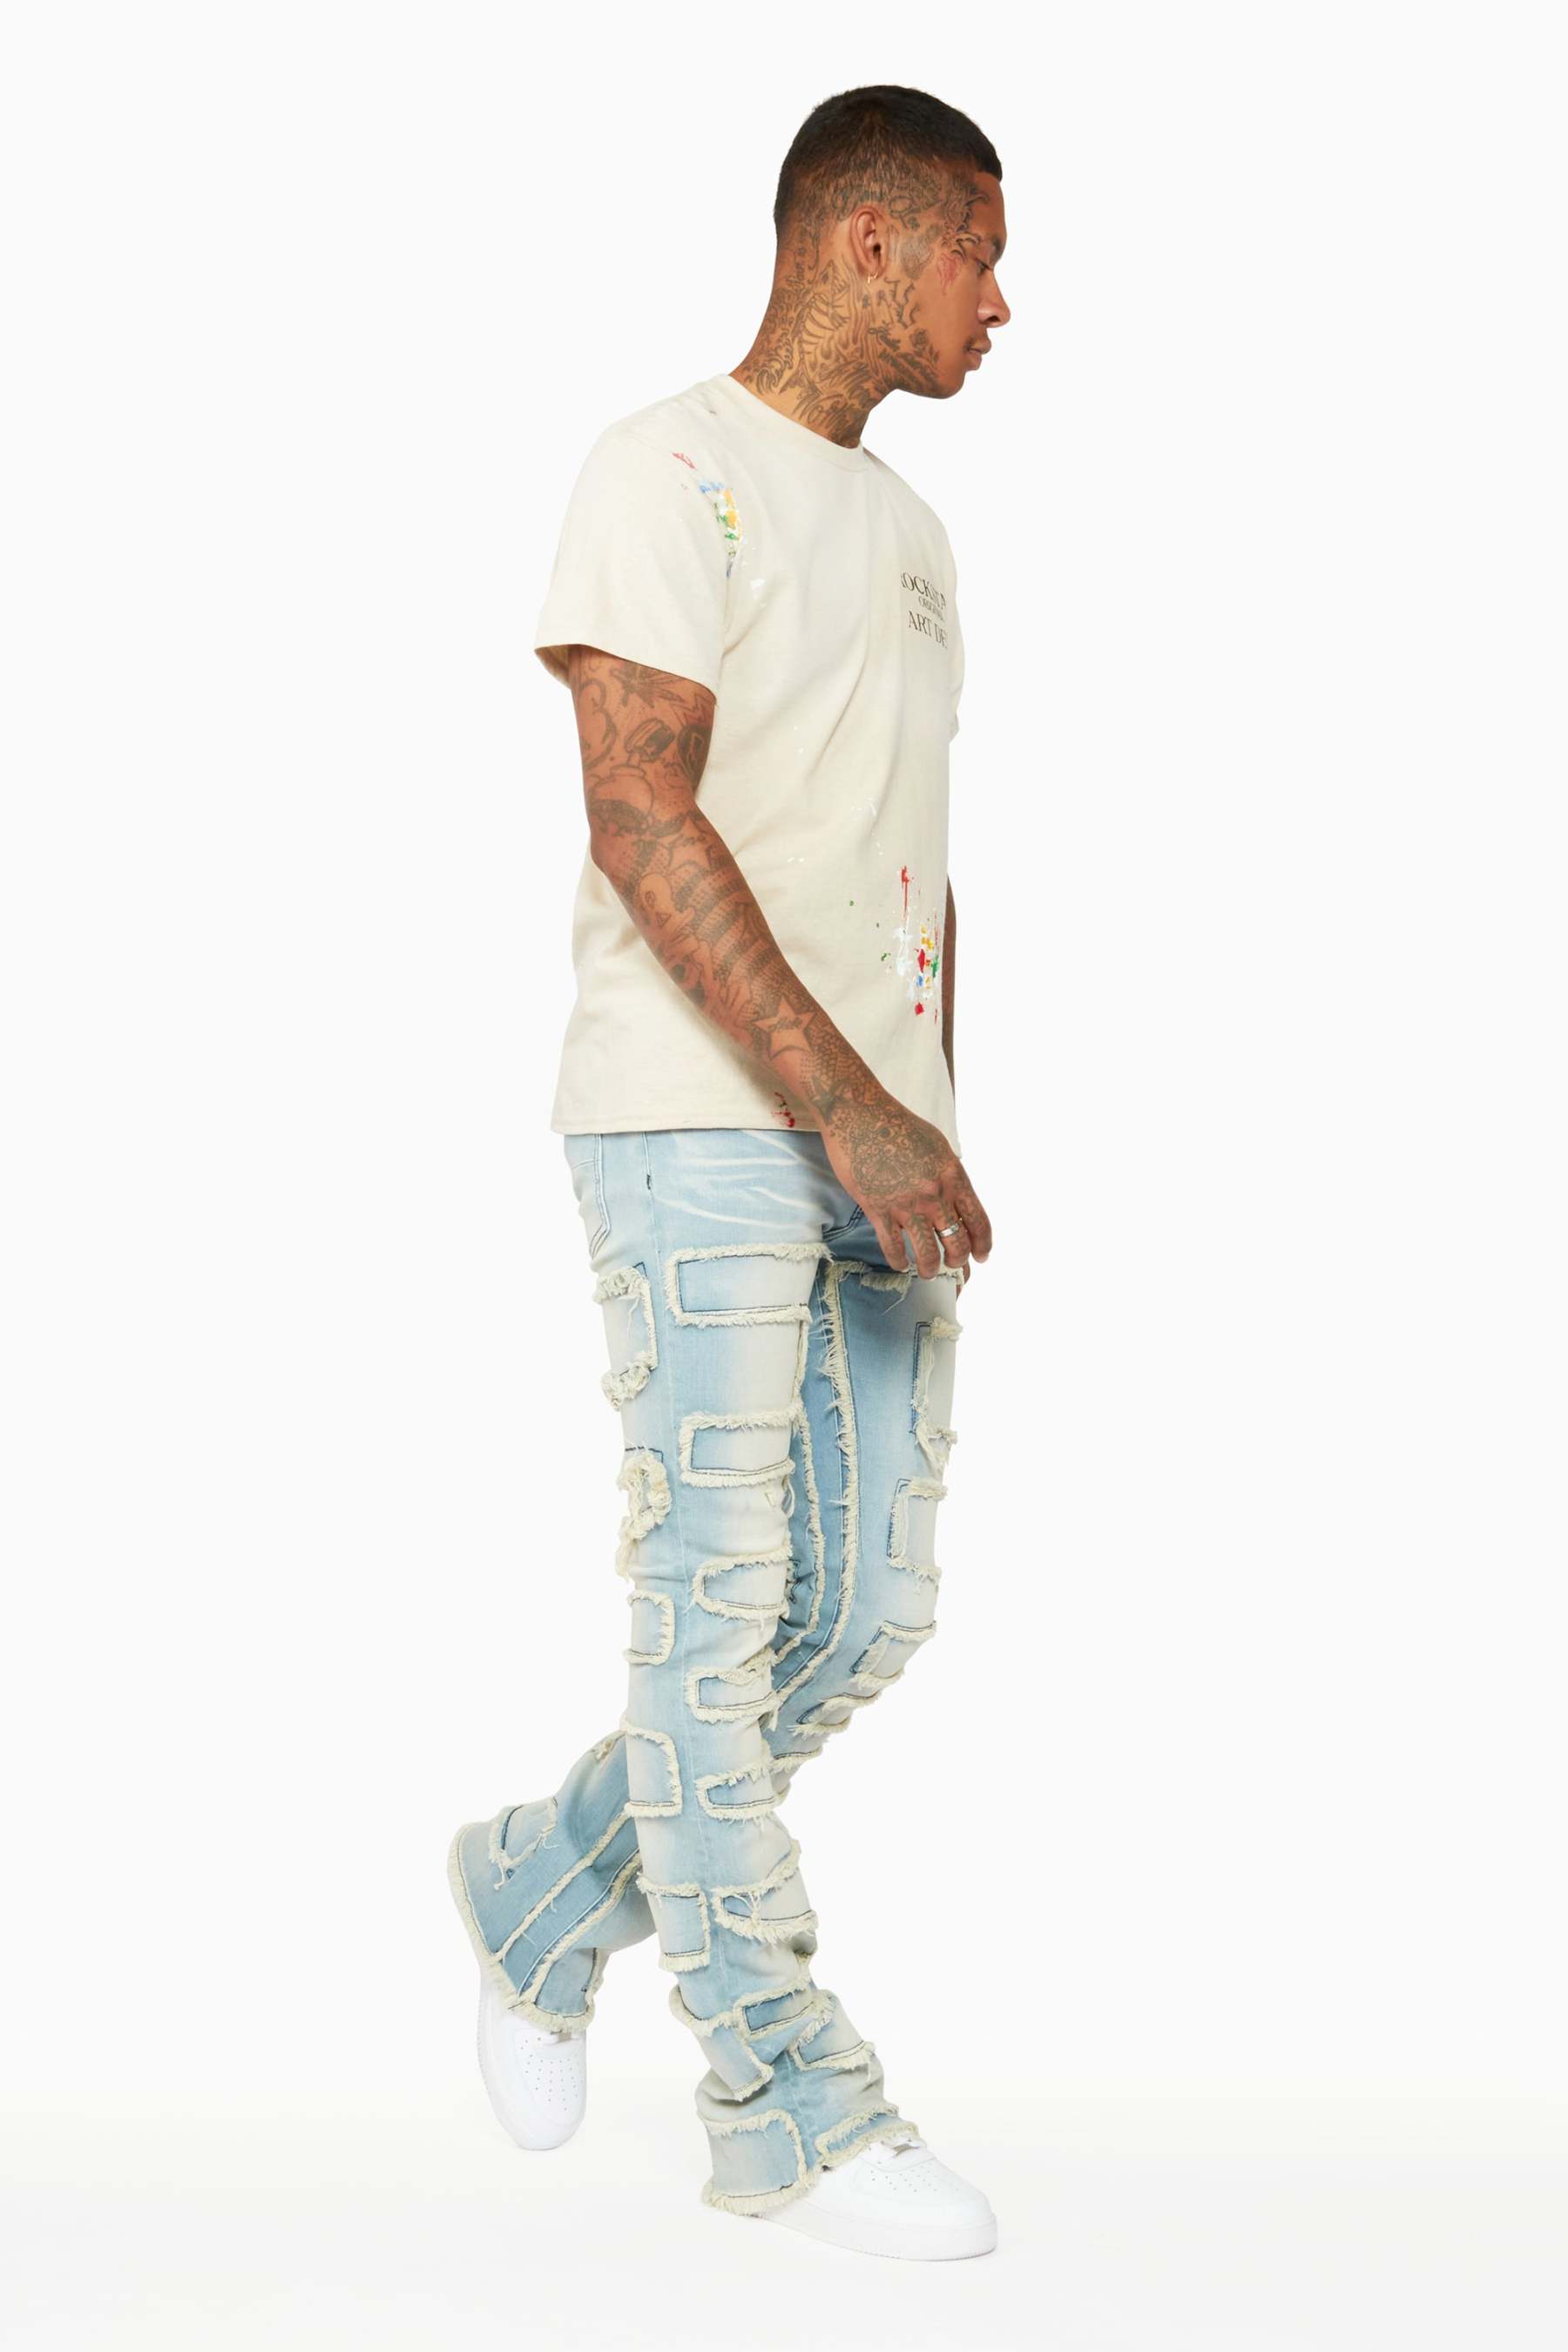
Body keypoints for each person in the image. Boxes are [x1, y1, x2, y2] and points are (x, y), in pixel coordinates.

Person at [448, 83, 1010, 2262]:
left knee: (857, 1612)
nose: (997, 301)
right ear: (868, 242)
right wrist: (842, 1106)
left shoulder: (921, 538)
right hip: (694, 1118)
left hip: (883, 1133)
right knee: (711, 1611)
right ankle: (785, 2101)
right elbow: (638, 812)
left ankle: (543, 1890)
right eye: (976, 251)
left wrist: (932, 1106)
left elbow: (918, 857)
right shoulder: (662, 469)